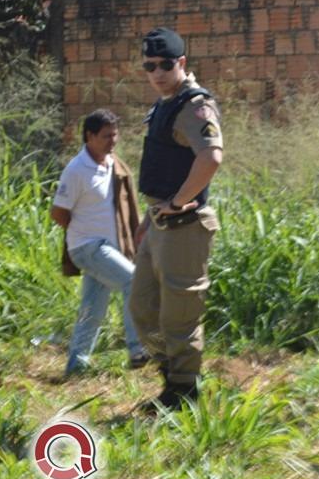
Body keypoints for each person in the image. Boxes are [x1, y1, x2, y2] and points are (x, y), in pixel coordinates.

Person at [129, 27, 223, 411]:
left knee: (179, 317)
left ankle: (183, 393)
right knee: (142, 307)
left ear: (181, 63)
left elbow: (211, 157)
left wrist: (178, 202)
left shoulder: (194, 105)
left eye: (165, 65)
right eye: (149, 65)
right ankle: (173, 378)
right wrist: (148, 219)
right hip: (159, 225)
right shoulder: (165, 103)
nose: (157, 72)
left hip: (184, 226)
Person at [51, 109, 147, 376]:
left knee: (92, 309)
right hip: (88, 246)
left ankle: (76, 366)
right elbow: (58, 213)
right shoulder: (76, 169)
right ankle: (137, 347)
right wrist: (82, 231)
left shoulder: (111, 165)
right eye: (106, 136)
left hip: (107, 247)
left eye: (115, 135)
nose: (112, 141)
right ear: (89, 136)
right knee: (133, 280)